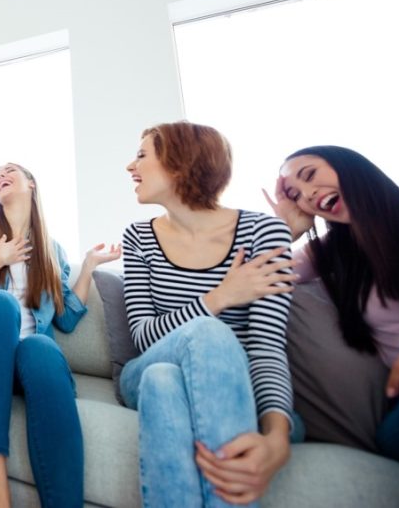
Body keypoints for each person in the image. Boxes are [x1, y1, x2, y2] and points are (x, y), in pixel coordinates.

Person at [121, 121, 297, 507]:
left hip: (231, 384)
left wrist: (277, 438)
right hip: (146, 362)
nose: (129, 167)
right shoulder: (138, 237)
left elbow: (267, 347)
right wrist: (219, 297)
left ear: (180, 163)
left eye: (141, 156)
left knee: (164, 381)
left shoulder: (265, 233)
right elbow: (144, 336)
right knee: (205, 332)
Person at [0, 162, 119, 508]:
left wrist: (89, 266)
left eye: (9, 170)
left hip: (21, 363)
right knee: (1, 305)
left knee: (40, 346)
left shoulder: (53, 251)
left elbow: (65, 319)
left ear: (32, 184)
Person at [265, 145, 399, 470]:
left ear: (349, 166)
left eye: (310, 175)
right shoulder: (326, 253)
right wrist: (287, 230)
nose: (308, 195)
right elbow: (255, 279)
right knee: (397, 437)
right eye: (296, 194)